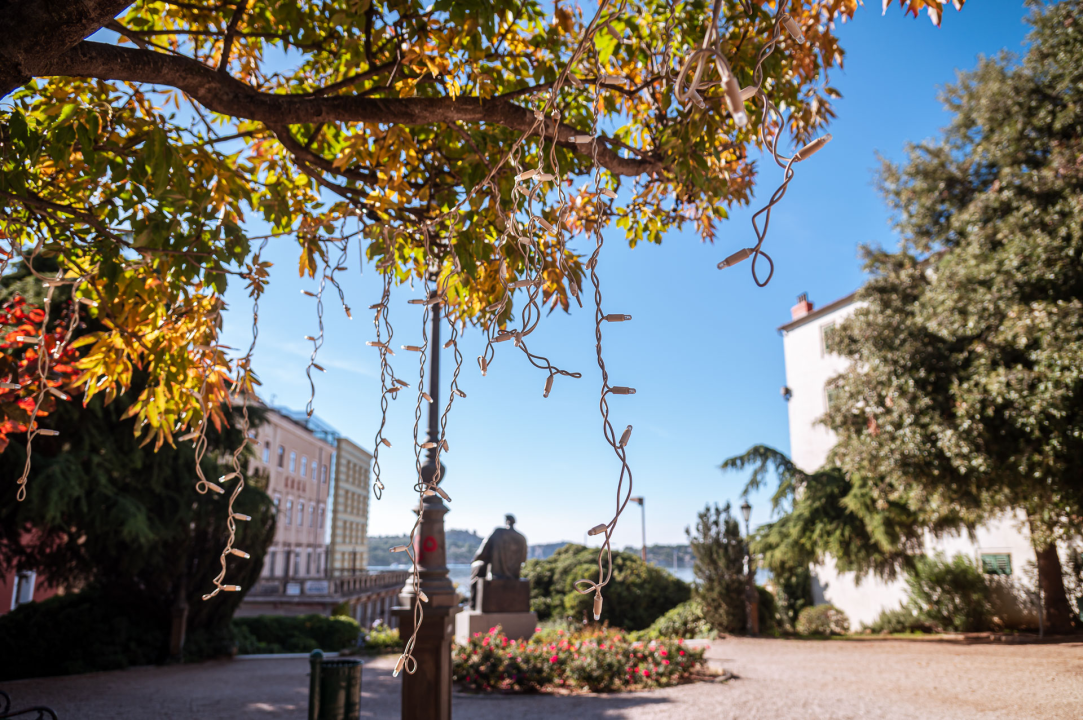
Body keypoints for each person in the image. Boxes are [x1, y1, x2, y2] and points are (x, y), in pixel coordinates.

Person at [468, 514, 527, 610]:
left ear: (506, 521)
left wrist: (475, 559)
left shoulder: (498, 532)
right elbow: (523, 559)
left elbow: (484, 549)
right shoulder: (522, 537)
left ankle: (473, 605)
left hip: (496, 575)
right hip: (515, 575)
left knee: (477, 568)